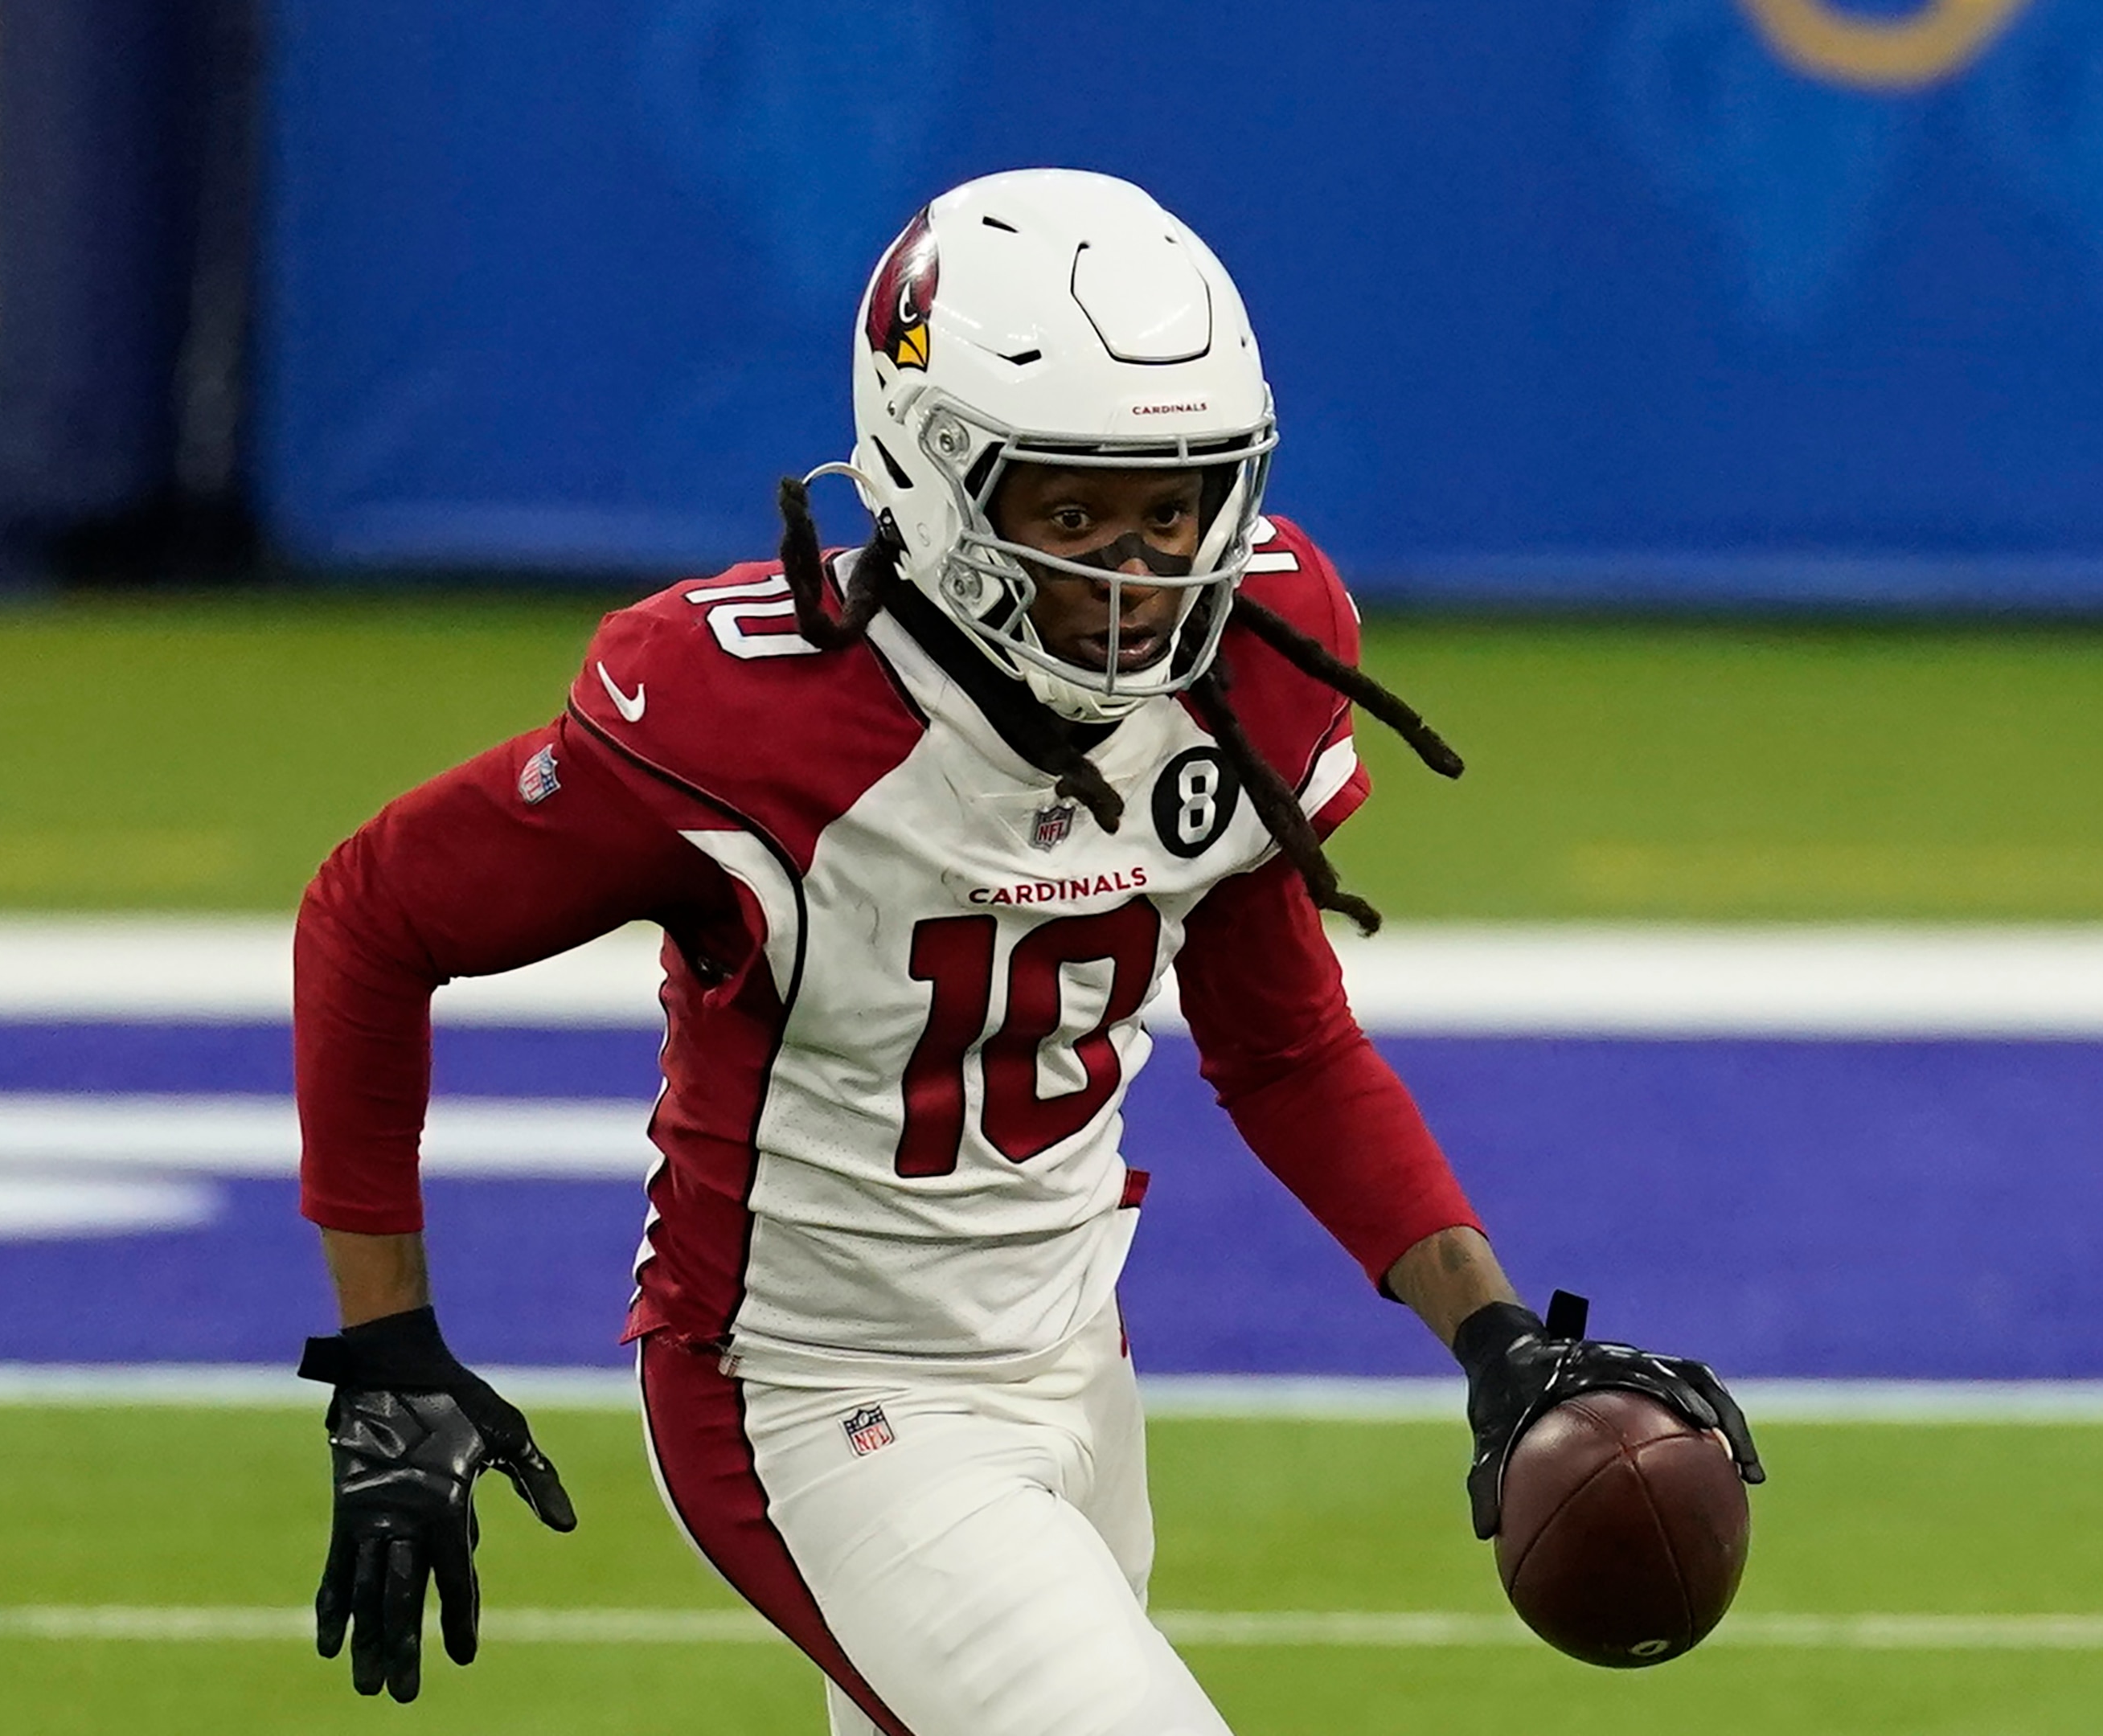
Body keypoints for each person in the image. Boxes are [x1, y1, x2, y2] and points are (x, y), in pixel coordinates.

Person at [288, 168, 1759, 1733]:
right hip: (807, 1392)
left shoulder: (1244, 666)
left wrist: (1496, 1335)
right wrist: (385, 1349)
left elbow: (1288, 1050)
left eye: (1174, 503)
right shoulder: (746, 723)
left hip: (1071, 1356)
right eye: (1073, 512)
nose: (1142, 571)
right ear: (932, 482)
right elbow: (375, 917)